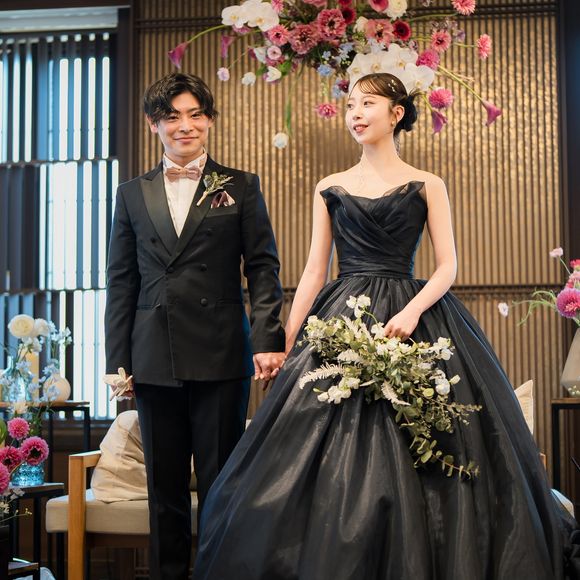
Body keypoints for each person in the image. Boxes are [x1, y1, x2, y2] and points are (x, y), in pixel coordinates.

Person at [192, 72, 578, 580]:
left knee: (438, 438)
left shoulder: (427, 183)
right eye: (350, 104)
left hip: (412, 312)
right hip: (342, 313)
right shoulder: (328, 186)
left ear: (396, 113)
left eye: (367, 103)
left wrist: (413, 310)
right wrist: (286, 338)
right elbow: (313, 271)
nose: (355, 113)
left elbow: (448, 266)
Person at [104, 72, 286, 580]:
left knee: (221, 483)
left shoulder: (241, 186)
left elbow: (263, 268)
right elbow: (120, 281)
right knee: (163, 489)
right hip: (152, 356)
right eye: (172, 117)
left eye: (195, 115)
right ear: (153, 124)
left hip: (222, 352)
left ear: (208, 120)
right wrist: (118, 363)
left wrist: (268, 340)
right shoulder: (131, 194)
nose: (185, 126)